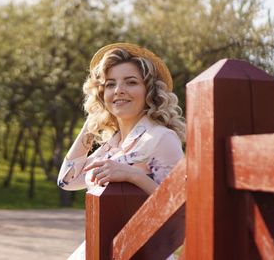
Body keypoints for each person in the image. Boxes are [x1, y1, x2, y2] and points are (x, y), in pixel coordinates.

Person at [57, 43, 185, 259]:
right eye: (110, 84)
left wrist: (133, 176)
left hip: (142, 252)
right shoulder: (111, 146)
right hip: (99, 250)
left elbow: (180, 211)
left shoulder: (162, 138)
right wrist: (91, 124)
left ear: (149, 91)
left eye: (131, 82)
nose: (118, 90)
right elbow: (66, 181)